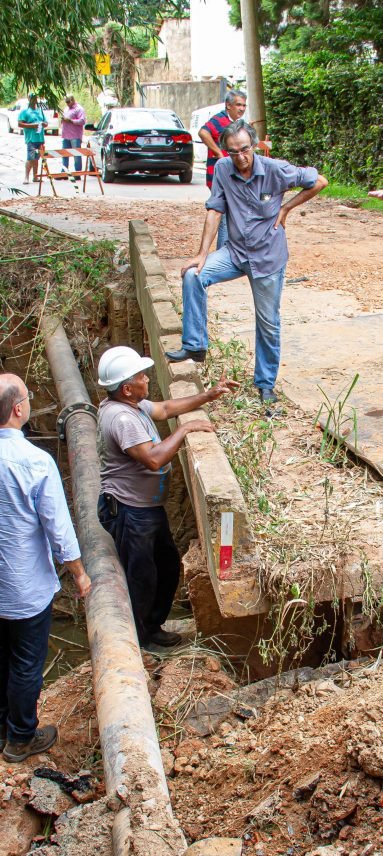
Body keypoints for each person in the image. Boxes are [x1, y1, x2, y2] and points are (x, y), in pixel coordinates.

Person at [0, 373, 92, 763]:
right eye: (26, 396)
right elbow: (58, 527)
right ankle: (21, 737)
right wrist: (78, 572)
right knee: (26, 661)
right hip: (25, 585)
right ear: (17, 409)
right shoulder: (34, 461)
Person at [167, 119, 327, 406]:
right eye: (232, 152)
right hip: (236, 252)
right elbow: (215, 210)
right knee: (193, 275)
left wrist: (286, 208)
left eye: (244, 150)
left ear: (253, 146)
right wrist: (202, 254)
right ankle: (195, 346)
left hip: (267, 258)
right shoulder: (224, 170)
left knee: (268, 323)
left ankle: (265, 384)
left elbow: (318, 182)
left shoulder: (276, 170)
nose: (239, 157)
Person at [96, 347, 238, 650]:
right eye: (141, 376)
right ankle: (140, 642)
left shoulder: (133, 405)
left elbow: (166, 408)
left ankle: (152, 626)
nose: (147, 379)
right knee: (141, 577)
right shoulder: (122, 418)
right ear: (127, 387)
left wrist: (208, 396)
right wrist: (186, 429)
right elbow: (153, 460)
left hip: (146, 509)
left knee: (166, 565)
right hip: (130, 511)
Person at [198, 89, 247, 248]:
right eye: (238, 105)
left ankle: (227, 251)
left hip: (230, 176)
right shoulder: (220, 119)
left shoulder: (235, 124)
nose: (241, 108)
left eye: (244, 105)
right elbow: (203, 132)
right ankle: (222, 253)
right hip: (219, 176)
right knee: (224, 215)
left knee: (229, 215)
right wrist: (219, 152)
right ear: (228, 106)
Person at [18, 95, 47, 185]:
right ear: (29, 99)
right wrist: (32, 125)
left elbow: (46, 123)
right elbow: (20, 124)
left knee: (36, 158)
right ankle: (26, 177)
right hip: (31, 138)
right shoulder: (25, 112)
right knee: (30, 158)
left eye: (35, 98)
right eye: (32, 98)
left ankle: (35, 176)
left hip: (40, 137)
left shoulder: (40, 111)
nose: (34, 100)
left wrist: (42, 124)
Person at [60, 95, 86, 180]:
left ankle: (77, 173)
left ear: (72, 100)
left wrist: (71, 121)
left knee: (76, 155)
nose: (67, 104)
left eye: (68, 102)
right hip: (66, 135)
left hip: (75, 135)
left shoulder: (79, 109)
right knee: (64, 154)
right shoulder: (66, 109)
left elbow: (82, 121)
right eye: (66, 102)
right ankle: (64, 172)